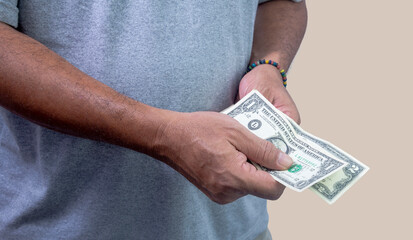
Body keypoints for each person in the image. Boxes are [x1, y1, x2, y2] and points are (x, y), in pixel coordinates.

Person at [0, 0, 307, 239]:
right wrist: (161, 133)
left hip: (235, 230)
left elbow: (282, 3)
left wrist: (268, 66)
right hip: (58, 227)